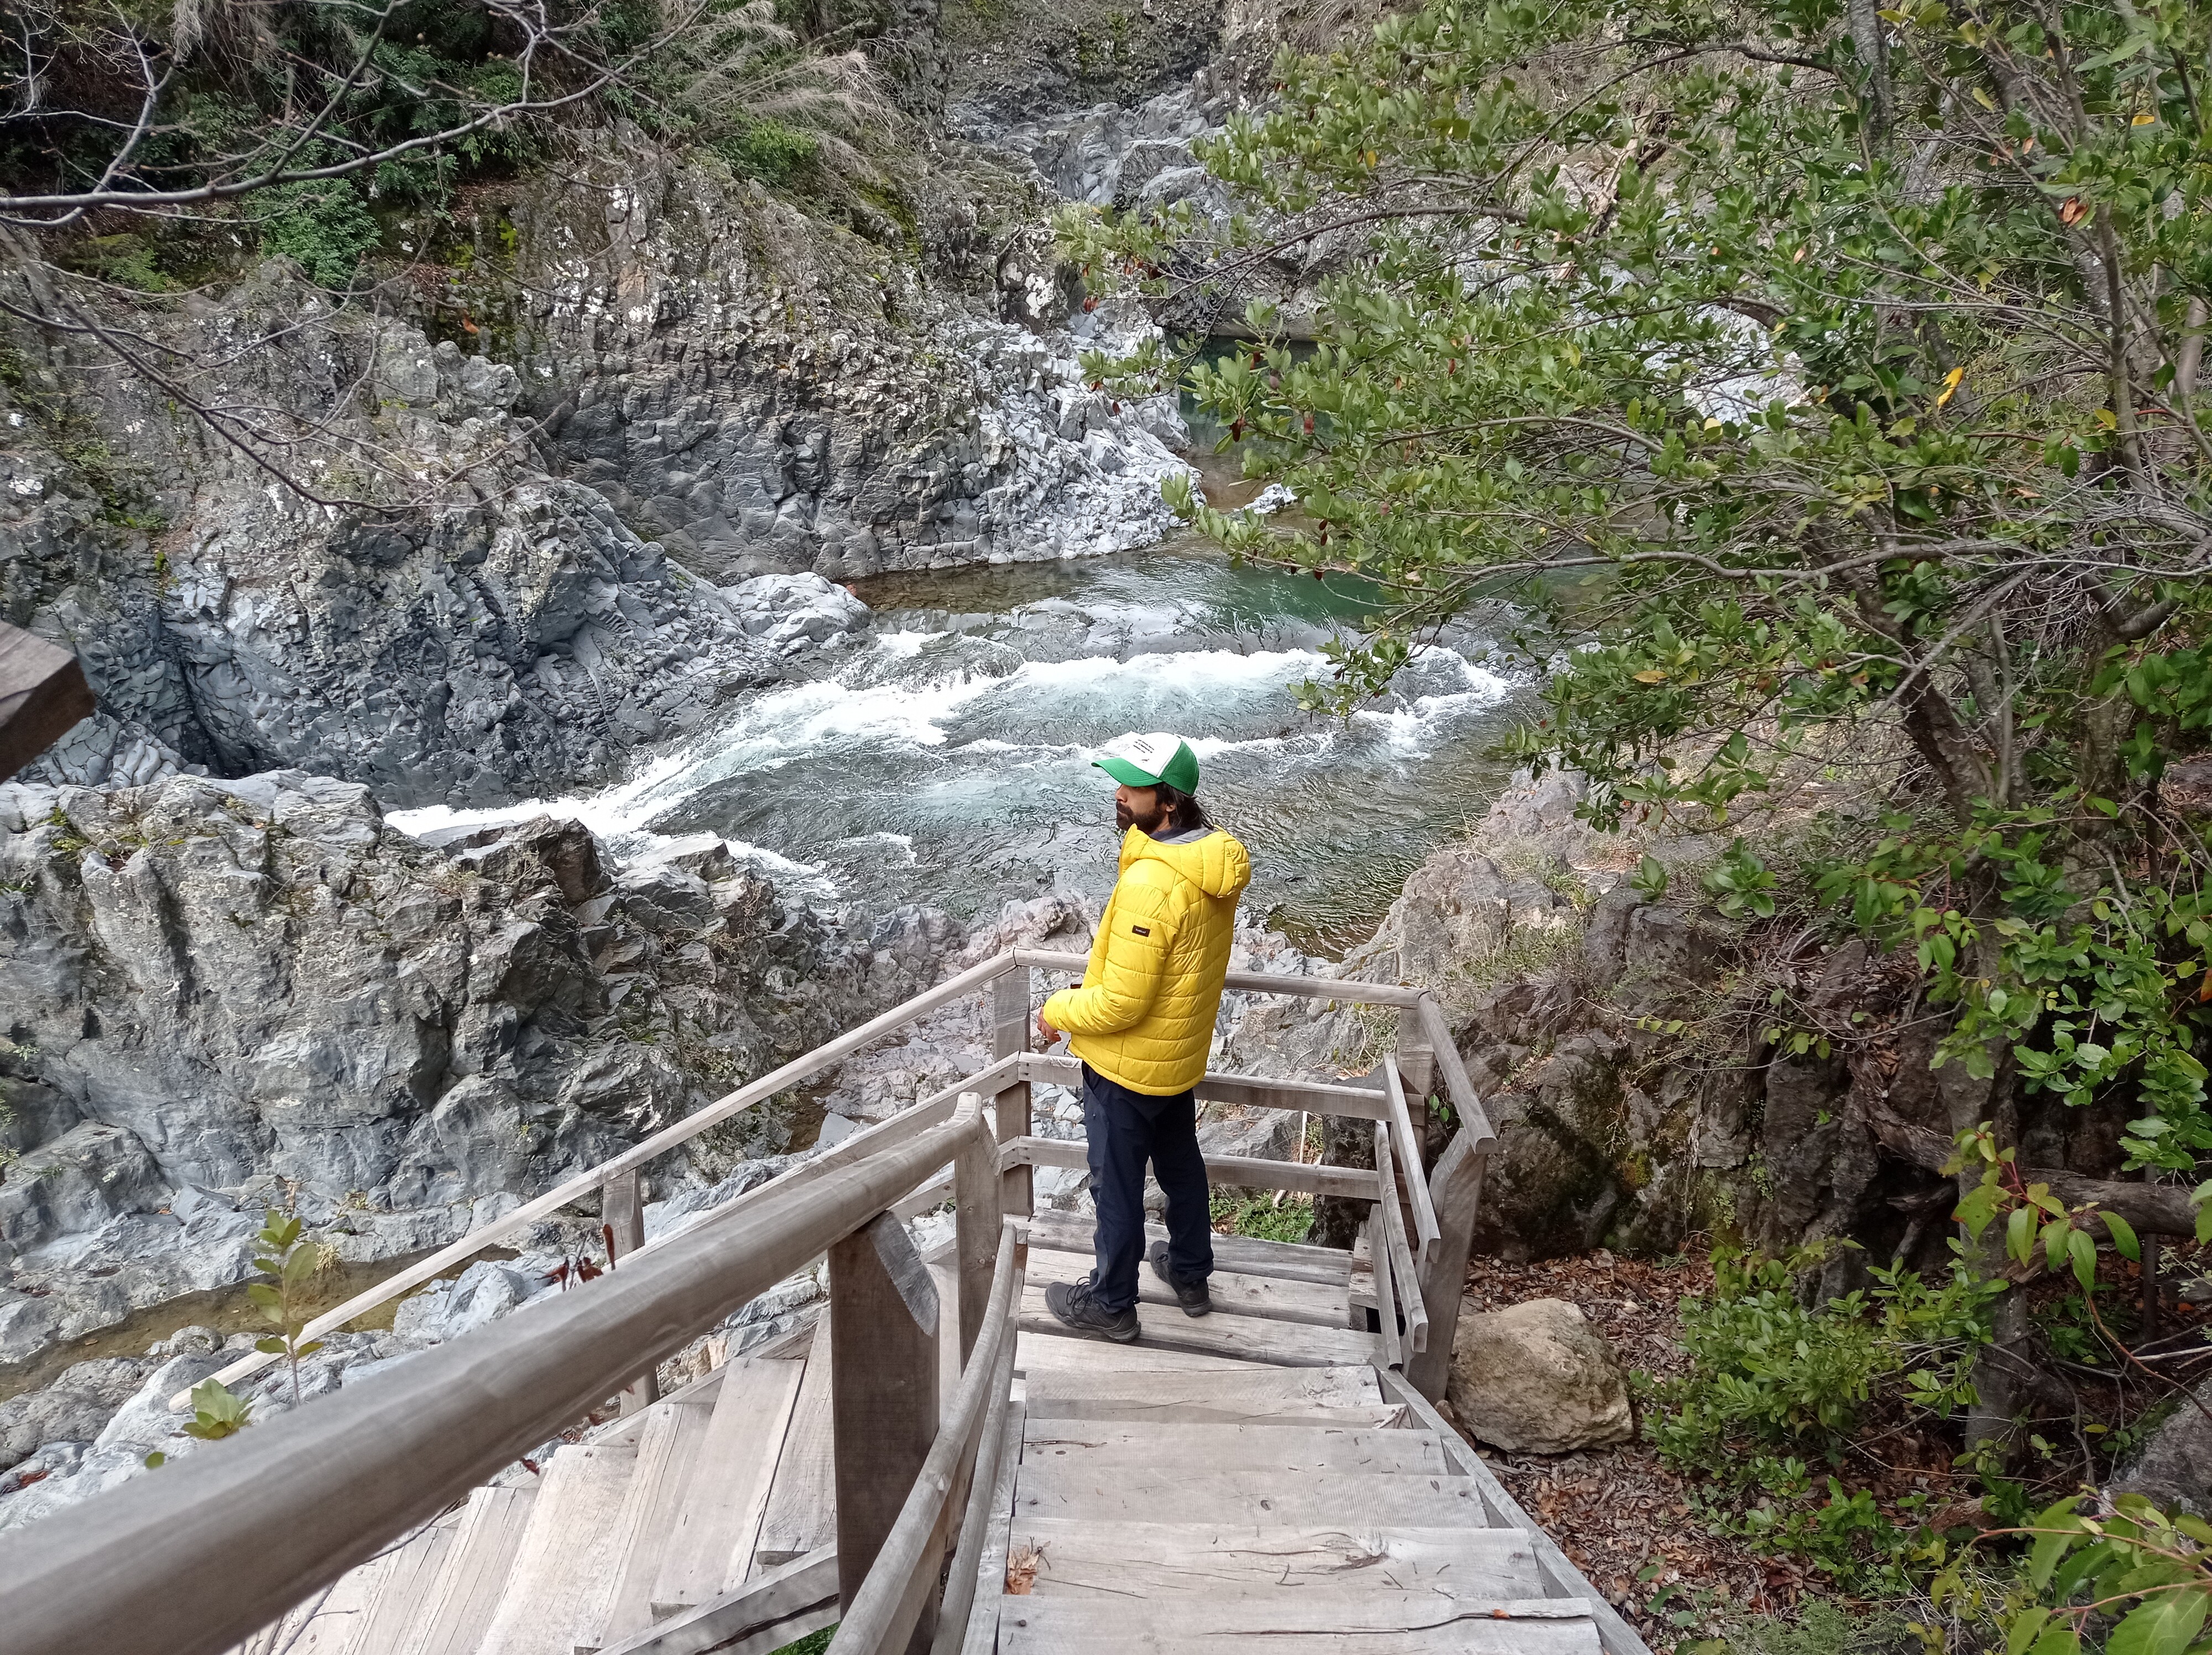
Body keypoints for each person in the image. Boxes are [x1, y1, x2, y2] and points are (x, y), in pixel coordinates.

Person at [1036, 732, 1251, 1341]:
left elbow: (1122, 1003)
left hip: (1128, 1067)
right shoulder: (1206, 861)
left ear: (1170, 804)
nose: (1119, 793)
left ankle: (1111, 1303)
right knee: (1181, 1169)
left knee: (1117, 1187)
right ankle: (1189, 1273)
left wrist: (1057, 1009)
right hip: (1175, 1056)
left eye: (1132, 787)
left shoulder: (1153, 884)